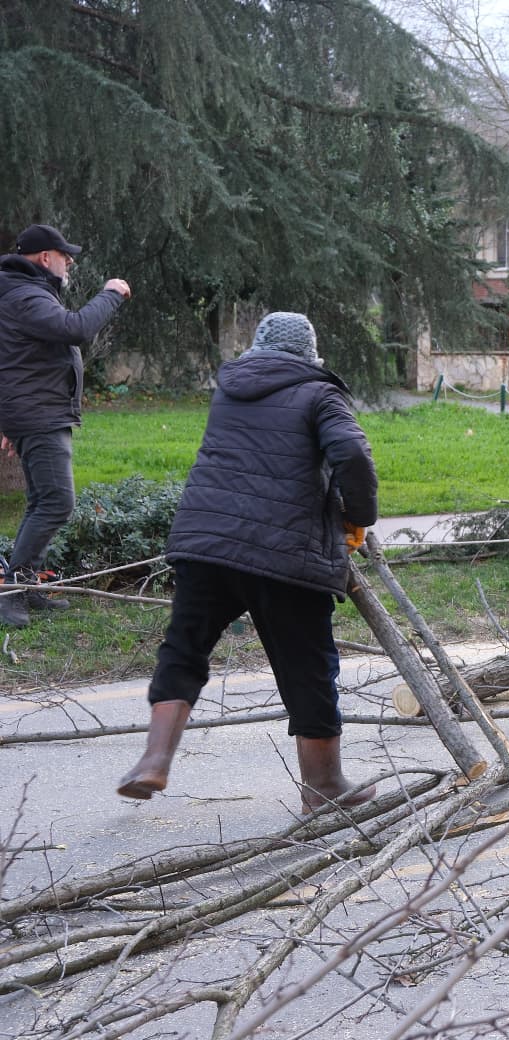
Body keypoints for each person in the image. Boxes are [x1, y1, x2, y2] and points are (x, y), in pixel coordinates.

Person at [117, 312, 380, 813]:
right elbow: (351, 451)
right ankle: (323, 785)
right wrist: (359, 516)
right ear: (310, 354)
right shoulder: (320, 392)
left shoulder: (229, 389)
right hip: (283, 554)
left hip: (207, 543)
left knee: (184, 649)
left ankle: (153, 760)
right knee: (308, 665)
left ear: (258, 348)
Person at [0, 224, 132, 628]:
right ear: (44, 258)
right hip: (39, 412)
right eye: (64, 255)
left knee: (44, 501)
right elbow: (75, 328)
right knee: (58, 501)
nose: (69, 262)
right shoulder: (25, 295)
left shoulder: (21, 293)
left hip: (35, 409)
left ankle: (26, 587)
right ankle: (13, 593)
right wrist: (111, 293)